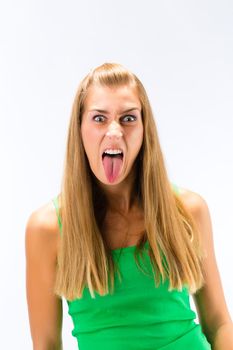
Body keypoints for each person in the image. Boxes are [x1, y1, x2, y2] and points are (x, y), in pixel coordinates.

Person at [25, 63, 233, 350]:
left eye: (128, 118)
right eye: (99, 118)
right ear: (80, 128)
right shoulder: (47, 228)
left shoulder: (188, 210)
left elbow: (219, 322)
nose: (114, 131)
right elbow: (46, 343)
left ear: (145, 129)